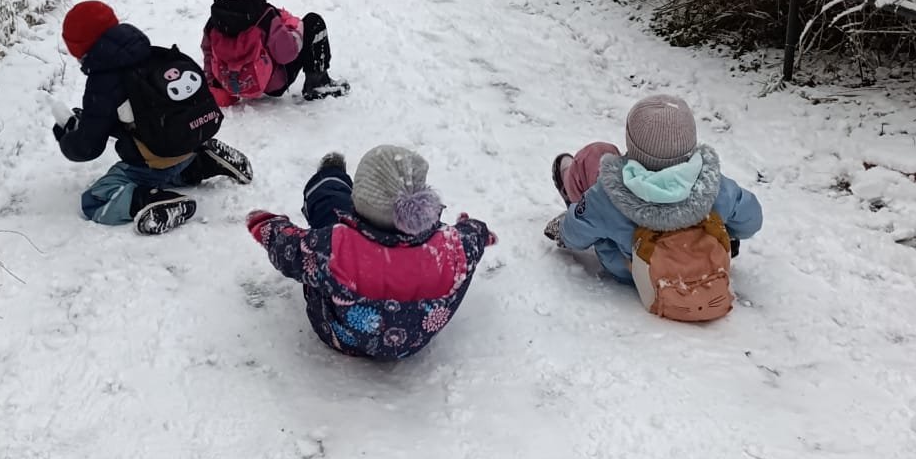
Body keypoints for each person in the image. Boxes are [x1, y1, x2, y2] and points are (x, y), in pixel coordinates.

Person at [247, 145, 496, 361]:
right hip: (413, 343)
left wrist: (267, 225)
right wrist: (469, 227)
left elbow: (288, 250)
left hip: (340, 335)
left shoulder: (336, 248)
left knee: (328, 204)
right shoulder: (454, 247)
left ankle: (330, 178)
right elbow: (476, 235)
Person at [545, 94, 762, 322]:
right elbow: (752, 220)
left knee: (596, 154)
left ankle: (571, 181)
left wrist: (562, 229)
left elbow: (575, 234)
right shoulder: (714, 186)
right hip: (704, 264)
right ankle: (695, 252)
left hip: (636, 273)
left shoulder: (607, 195)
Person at [52, 0, 252, 234]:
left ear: (82, 49)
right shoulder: (150, 54)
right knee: (168, 165)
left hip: (158, 158)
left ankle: (150, 202)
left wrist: (67, 138)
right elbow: (132, 111)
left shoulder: (103, 81)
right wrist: (88, 118)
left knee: (95, 199)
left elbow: (88, 148)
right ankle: (201, 161)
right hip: (186, 140)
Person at [202, 0, 344, 102]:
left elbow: (208, 52)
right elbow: (287, 54)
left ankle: (228, 84)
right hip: (270, 84)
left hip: (229, 83)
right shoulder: (265, 17)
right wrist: (296, 29)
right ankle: (318, 84)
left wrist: (213, 84)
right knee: (313, 22)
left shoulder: (215, 20)